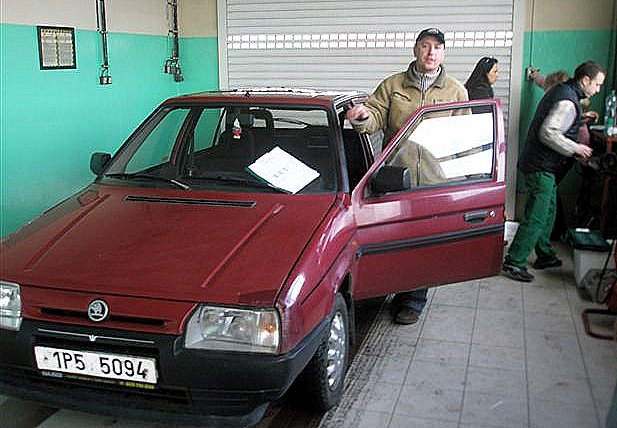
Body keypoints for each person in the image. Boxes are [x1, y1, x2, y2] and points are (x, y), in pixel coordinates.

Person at [346, 27, 468, 324]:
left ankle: (413, 299)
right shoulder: (392, 85)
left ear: (444, 53)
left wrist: (466, 177)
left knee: (423, 243)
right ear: (415, 49)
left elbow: (464, 138)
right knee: (394, 238)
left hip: (434, 181)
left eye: (437, 47)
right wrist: (362, 117)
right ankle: (389, 285)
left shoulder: (456, 91)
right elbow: (374, 116)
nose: (431, 52)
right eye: (425, 45)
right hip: (394, 178)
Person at [502, 60, 605, 282]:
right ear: (585, 80)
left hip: (540, 164)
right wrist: (576, 148)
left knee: (548, 210)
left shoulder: (563, 90)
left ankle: (545, 254)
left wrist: (579, 120)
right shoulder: (568, 100)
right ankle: (514, 261)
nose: (597, 89)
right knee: (537, 214)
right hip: (541, 166)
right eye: (597, 84)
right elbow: (548, 132)